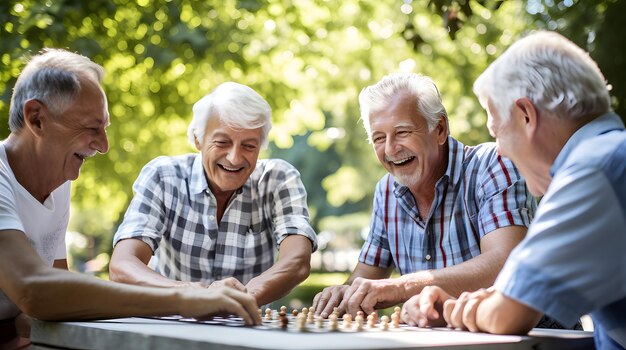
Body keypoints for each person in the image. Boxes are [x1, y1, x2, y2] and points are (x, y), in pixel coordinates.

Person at [0, 49, 261, 348]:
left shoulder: (58, 182)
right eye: (91, 128)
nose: (103, 145)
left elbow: (61, 297)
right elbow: (34, 291)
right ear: (36, 119)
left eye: (104, 128)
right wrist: (184, 297)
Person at [401, 31, 626, 349]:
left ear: (526, 116)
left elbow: (509, 314)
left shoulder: (593, 169)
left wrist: (449, 309)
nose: (501, 153)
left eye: (498, 132)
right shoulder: (612, 157)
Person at [313, 73, 536, 318]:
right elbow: (366, 280)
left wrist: (401, 287)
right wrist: (342, 293)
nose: (390, 149)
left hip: (529, 338)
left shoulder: (493, 165)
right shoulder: (386, 191)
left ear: (440, 129)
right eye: (379, 138)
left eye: (402, 132)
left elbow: (505, 262)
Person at [109, 82, 317, 306]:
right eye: (222, 142)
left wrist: (239, 298)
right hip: (173, 322)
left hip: (248, 325)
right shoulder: (163, 176)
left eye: (248, 146)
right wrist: (194, 293)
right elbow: (122, 265)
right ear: (198, 139)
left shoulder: (278, 179)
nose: (235, 158)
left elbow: (297, 261)